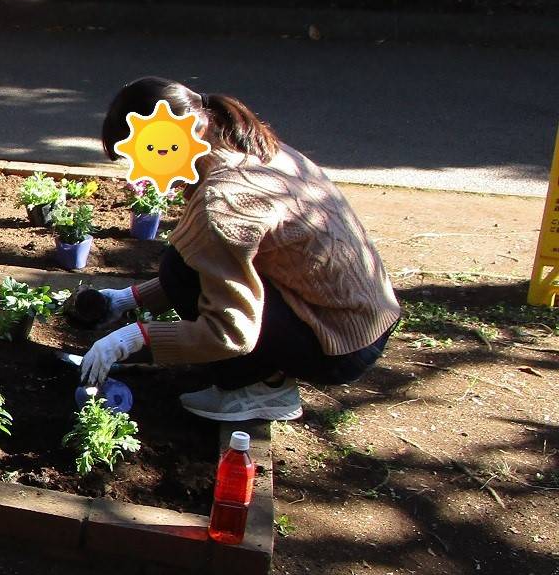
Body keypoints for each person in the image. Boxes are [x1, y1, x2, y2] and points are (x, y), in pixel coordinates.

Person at [78, 78, 400, 424]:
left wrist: (132, 339)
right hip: (362, 317)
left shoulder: (222, 202)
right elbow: (215, 265)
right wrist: (127, 300)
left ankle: (263, 389)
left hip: (340, 343)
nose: (137, 172)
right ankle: (262, 373)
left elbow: (230, 333)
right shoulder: (241, 142)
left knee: (182, 270)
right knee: (181, 264)